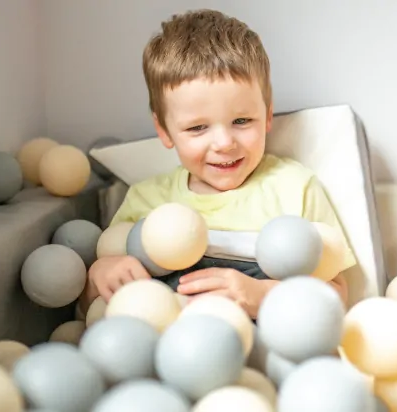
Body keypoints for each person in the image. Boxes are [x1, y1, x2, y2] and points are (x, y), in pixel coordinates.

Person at [78, 9, 356, 319]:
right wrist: (101, 273)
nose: (224, 143)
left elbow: (337, 294)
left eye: (241, 120)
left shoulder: (294, 188)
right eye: (197, 128)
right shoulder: (148, 201)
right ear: (164, 131)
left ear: (267, 114)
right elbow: (91, 304)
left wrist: (264, 295)